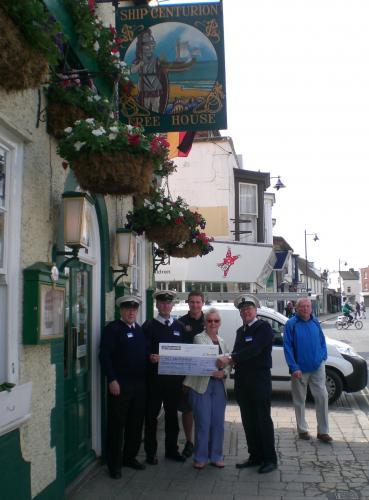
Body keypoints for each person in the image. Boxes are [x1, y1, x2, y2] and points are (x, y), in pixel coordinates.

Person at [217, 295, 278, 474]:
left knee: (262, 420)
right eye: (242, 310)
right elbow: (237, 351)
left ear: (256, 310)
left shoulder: (264, 328)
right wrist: (227, 359)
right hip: (243, 382)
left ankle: (269, 459)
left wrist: (230, 358)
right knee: (248, 420)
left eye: (248, 309)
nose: (245, 312)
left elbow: (255, 350)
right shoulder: (240, 331)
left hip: (259, 381)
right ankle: (255, 456)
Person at [99, 296, 148, 479]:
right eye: (128, 309)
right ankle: (115, 464)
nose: (131, 312)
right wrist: (111, 379)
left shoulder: (139, 330)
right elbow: (105, 356)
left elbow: (144, 353)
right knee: (117, 425)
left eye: (134, 309)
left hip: (139, 385)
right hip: (120, 385)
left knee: (135, 424)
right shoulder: (113, 330)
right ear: (121, 310)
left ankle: (130, 457)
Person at [143, 290, 187, 464]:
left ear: (173, 305)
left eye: (168, 303)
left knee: (171, 417)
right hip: (154, 381)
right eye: (162, 303)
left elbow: (185, 352)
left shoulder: (179, 327)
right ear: (157, 305)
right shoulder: (148, 326)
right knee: (151, 417)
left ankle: (171, 450)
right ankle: (150, 452)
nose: (165, 306)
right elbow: (142, 350)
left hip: (173, 381)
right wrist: (149, 356)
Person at [183, 308, 230, 469]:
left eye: (216, 321)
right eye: (209, 320)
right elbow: (207, 357)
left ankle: (216, 456)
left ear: (220, 323)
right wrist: (223, 360)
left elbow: (228, 365)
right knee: (203, 422)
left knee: (218, 423)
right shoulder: (199, 338)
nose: (212, 324)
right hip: (201, 385)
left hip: (219, 385)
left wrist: (223, 372)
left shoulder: (222, 341)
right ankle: (200, 457)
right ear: (204, 323)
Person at [283, 298, 332, 443]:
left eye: (308, 306)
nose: (305, 309)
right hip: (299, 369)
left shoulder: (315, 321)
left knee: (322, 397)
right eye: (302, 306)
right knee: (299, 400)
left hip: (317, 366)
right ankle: (302, 430)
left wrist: (323, 357)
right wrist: (294, 367)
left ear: (311, 308)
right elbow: (288, 347)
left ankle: (323, 432)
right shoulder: (291, 324)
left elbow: (322, 342)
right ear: (296, 309)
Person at [178, 290, 206, 458]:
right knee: (186, 410)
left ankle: (202, 443)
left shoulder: (209, 320)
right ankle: (189, 442)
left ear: (203, 303)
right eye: (192, 302)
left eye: (198, 302)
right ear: (188, 303)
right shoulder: (181, 323)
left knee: (203, 411)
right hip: (186, 374)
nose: (195, 305)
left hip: (203, 374)